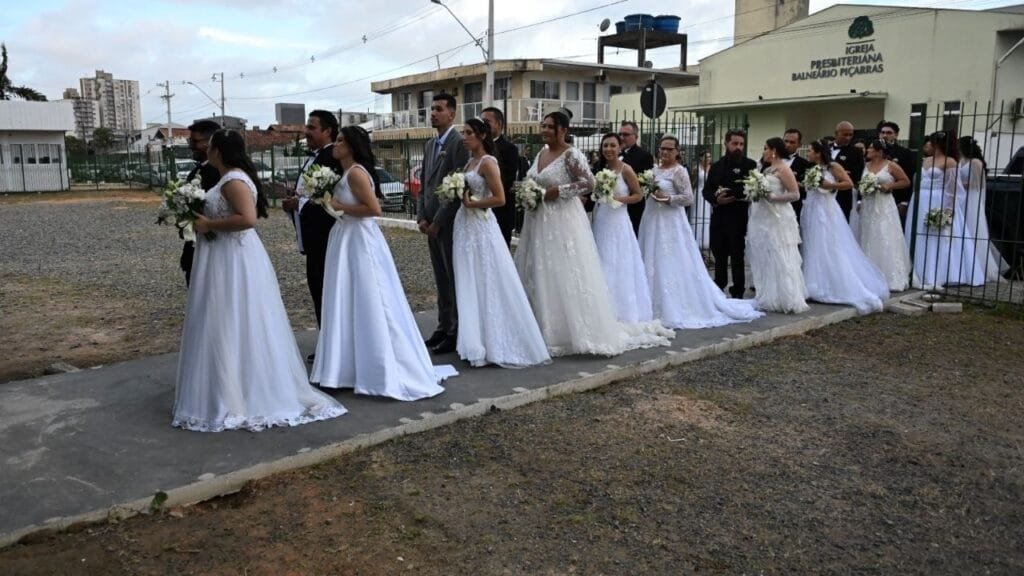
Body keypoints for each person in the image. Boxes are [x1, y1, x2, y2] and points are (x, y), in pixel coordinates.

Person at [173, 129, 346, 432]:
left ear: (219, 151)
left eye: (210, 146)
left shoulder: (233, 180)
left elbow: (248, 219)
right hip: (221, 256)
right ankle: (226, 385)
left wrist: (208, 224)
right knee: (222, 319)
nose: (207, 151)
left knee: (233, 316)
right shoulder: (228, 178)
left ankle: (241, 390)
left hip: (232, 259)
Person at [513, 109, 672, 357]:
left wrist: (559, 191)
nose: (544, 130)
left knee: (562, 269)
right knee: (541, 268)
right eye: (543, 125)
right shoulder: (541, 153)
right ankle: (538, 323)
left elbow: (588, 182)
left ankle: (565, 331)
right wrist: (528, 191)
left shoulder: (571, 154)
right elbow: (535, 180)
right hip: (539, 220)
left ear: (563, 130)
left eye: (549, 126)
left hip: (562, 219)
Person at [310, 126, 451, 400]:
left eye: (340, 141)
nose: (336, 145)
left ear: (352, 146)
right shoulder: (347, 173)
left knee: (368, 296)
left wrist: (339, 206)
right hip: (346, 237)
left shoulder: (357, 173)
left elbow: (373, 209)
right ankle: (345, 366)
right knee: (346, 297)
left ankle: (378, 364)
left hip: (358, 239)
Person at [452, 118, 550, 368]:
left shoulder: (488, 162)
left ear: (482, 135)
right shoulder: (469, 162)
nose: (464, 137)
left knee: (487, 278)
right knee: (469, 279)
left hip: (481, 225)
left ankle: (496, 339)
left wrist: (473, 203)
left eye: (469, 133)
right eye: (463, 132)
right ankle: (474, 339)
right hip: (465, 226)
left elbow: (500, 198)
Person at [639, 136, 763, 329]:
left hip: (670, 222)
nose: (665, 152)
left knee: (670, 259)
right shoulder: (653, 171)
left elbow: (688, 198)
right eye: (662, 148)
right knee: (650, 256)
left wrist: (668, 198)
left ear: (677, 151)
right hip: (652, 219)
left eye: (670, 149)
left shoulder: (679, 171)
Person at [800, 140, 889, 314]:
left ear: (818, 152)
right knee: (813, 245)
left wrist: (830, 186)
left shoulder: (833, 166)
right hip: (811, 208)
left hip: (826, 209)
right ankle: (814, 283)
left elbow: (848, 183)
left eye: (810, 150)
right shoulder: (812, 168)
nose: (807, 153)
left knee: (829, 245)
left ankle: (837, 284)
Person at [281, 110, 342, 359]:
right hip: (312, 236)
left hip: (325, 236)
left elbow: (331, 198)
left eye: (312, 127)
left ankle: (333, 347)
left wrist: (301, 203)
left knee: (326, 290)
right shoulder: (314, 157)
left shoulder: (332, 157)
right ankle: (327, 343)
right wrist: (295, 200)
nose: (306, 132)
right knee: (318, 290)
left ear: (328, 131)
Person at [417, 94, 470, 355]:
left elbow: (457, 188)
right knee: (440, 278)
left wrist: (438, 220)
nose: (433, 113)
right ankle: (443, 324)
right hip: (429, 222)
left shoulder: (459, 143)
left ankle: (456, 330)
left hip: (447, 223)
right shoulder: (430, 145)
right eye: (432, 109)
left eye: (439, 109)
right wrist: (421, 216)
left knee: (452, 277)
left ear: (452, 114)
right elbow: (424, 183)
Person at [904, 131, 988, 289]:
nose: (927, 144)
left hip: (938, 200)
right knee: (920, 233)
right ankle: (917, 270)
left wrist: (949, 210)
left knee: (940, 236)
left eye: (930, 142)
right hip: (921, 200)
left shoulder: (950, 162)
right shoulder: (926, 160)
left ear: (937, 144)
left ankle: (942, 273)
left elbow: (953, 187)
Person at [590, 132, 655, 323]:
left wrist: (619, 199)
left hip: (618, 221)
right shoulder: (599, 168)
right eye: (605, 146)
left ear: (620, 148)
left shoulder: (626, 169)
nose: (608, 149)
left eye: (612, 145)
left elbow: (638, 195)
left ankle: (620, 309)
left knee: (617, 261)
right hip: (601, 219)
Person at [747, 138, 809, 314]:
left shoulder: (784, 169)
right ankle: (767, 294)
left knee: (778, 253)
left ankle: (785, 296)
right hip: (761, 216)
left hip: (777, 217)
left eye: (766, 148)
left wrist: (773, 198)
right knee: (764, 253)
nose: (764, 152)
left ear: (774, 151)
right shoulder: (767, 170)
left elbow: (795, 194)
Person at [702, 129, 757, 299]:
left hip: (738, 217)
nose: (738, 147)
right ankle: (719, 286)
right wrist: (717, 199)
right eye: (734, 143)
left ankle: (738, 291)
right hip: (719, 216)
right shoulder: (717, 166)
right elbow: (706, 190)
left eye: (741, 144)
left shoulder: (750, 165)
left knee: (737, 255)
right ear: (726, 143)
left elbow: (753, 188)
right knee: (719, 254)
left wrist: (732, 194)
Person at [859, 140, 914, 291]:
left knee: (884, 234)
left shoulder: (891, 165)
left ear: (879, 151)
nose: (868, 150)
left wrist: (889, 185)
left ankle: (889, 275)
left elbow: (906, 181)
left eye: (871, 148)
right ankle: (869, 274)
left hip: (884, 204)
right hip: (869, 204)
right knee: (868, 235)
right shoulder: (866, 165)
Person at [179, 120, 222, 287]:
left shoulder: (222, 174)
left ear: (210, 143)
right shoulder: (196, 171)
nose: (190, 146)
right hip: (196, 246)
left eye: (195, 141)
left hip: (217, 248)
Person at [958, 136, 1007, 281]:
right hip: (961, 198)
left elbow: (977, 184)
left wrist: (958, 185)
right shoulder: (961, 161)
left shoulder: (976, 162)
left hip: (971, 198)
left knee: (972, 228)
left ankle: (978, 266)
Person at [480, 106, 519, 248]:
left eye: (487, 122)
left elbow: (506, 179)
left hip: (500, 212)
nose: (483, 126)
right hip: (479, 210)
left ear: (499, 124)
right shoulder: (477, 148)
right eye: (481, 122)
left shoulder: (510, 149)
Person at [618, 120, 655, 236]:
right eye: (620, 134)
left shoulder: (644, 156)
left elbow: (646, 183)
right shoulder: (615, 154)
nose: (622, 137)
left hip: (633, 207)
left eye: (626, 134)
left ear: (636, 137)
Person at [877, 120, 916, 224]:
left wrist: (905, 202)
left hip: (897, 198)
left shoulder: (905, 153)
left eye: (889, 133)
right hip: (875, 197)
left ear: (896, 135)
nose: (885, 135)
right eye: (882, 132)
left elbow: (909, 177)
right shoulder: (872, 151)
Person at [831, 121, 864, 221]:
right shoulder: (826, 148)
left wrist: (843, 174)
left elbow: (859, 174)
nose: (848, 138)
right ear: (836, 133)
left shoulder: (856, 152)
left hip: (843, 194)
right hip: (823, 192)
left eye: (850, 135)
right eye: (845, 135)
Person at [782, 128, 812, 223]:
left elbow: (806, 188)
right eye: (786, 141)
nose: (788, 145)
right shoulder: (771, 160)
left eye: (792, 142)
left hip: (793, 207)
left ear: (799, 145)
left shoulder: (805, 164)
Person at [688, 149, 713, 250]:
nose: (708, 159)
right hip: (698, 193)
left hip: (708, 193)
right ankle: (696, 239)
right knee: (698, 214)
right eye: (706, 157)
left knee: (707, 214)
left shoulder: (712, 168)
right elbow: (692, 183)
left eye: (709, 157)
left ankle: (707, 240)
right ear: (701, 158)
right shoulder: (696, 168)